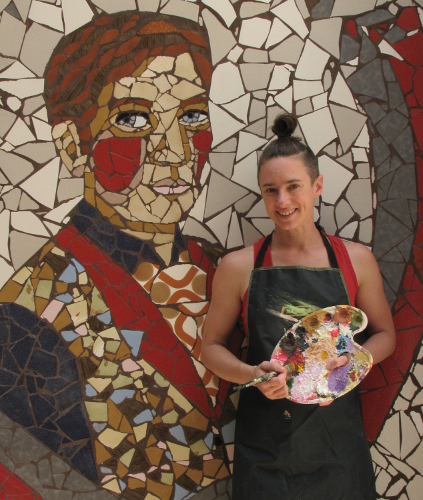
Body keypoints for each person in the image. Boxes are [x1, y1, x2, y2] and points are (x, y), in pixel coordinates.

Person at [0, 12, 235, 498]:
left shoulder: (228, 270)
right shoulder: (26, 315)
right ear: (72, 146)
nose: (175, 151)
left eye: (192, 116)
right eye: (132, 119)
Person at [201, 113, 396, 499]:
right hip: (265, 450)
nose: (283, 201)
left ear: (317, 185)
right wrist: (251, 374)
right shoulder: (238, 266)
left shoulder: (355, 260)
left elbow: (386, 335)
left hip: (339, 448)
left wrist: (354, 361)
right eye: (270, 190)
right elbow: (209, 348)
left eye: (293, 186)